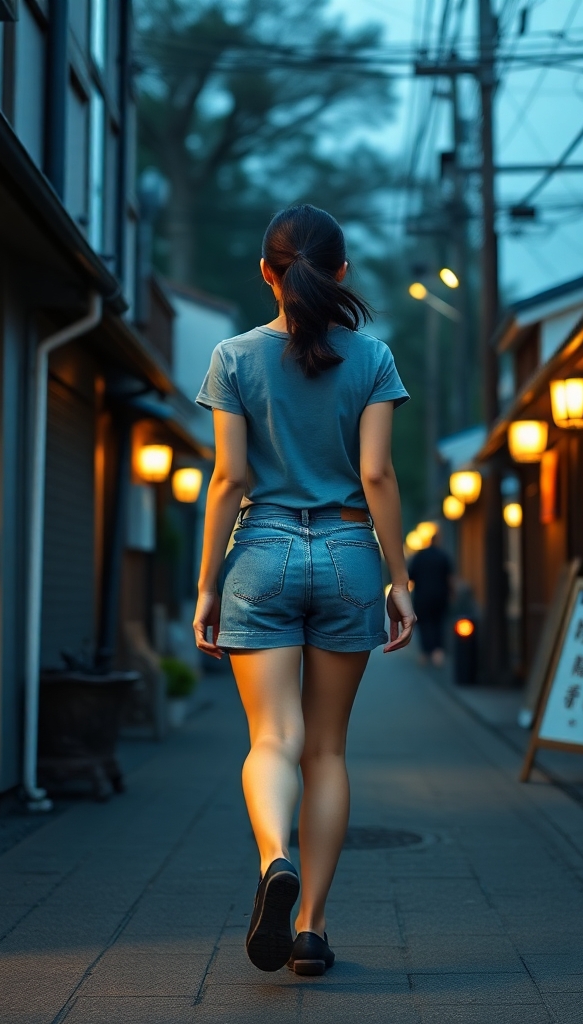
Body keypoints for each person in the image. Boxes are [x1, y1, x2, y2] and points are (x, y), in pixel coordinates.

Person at [193, 204, 416, 977]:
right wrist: (400, 581)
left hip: (261, 552)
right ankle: (313, 930)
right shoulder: (374, 358)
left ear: (267, 272)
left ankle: (274, 858)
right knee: (326, 749)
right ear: (341, 272)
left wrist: (207, 585)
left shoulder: (232, 358)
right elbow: (378, 475)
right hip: (351, 554)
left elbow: (228, 478)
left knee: (272, 741)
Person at [408, 531, 453, 667]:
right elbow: (449, 578)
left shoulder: (420, 556)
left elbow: (411, 576)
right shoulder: (443, 556)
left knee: (424, 624)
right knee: (438, 623)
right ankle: (438, 652)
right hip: (440, 596)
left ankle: (425, 652)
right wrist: (452, 594)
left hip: (422, 596)